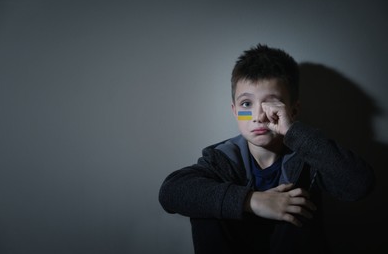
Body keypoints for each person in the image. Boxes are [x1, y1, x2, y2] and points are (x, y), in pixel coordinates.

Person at [158, 44, 375, 254]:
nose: (258, 116)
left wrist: (293, 131)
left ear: (293, 110)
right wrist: (252, 201)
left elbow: (360, 183)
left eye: (270, 104)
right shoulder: (222, 158)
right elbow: (170, 192)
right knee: (205, 204)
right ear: (234, 111)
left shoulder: (306, 156)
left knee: (296, 203)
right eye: (246, 105)